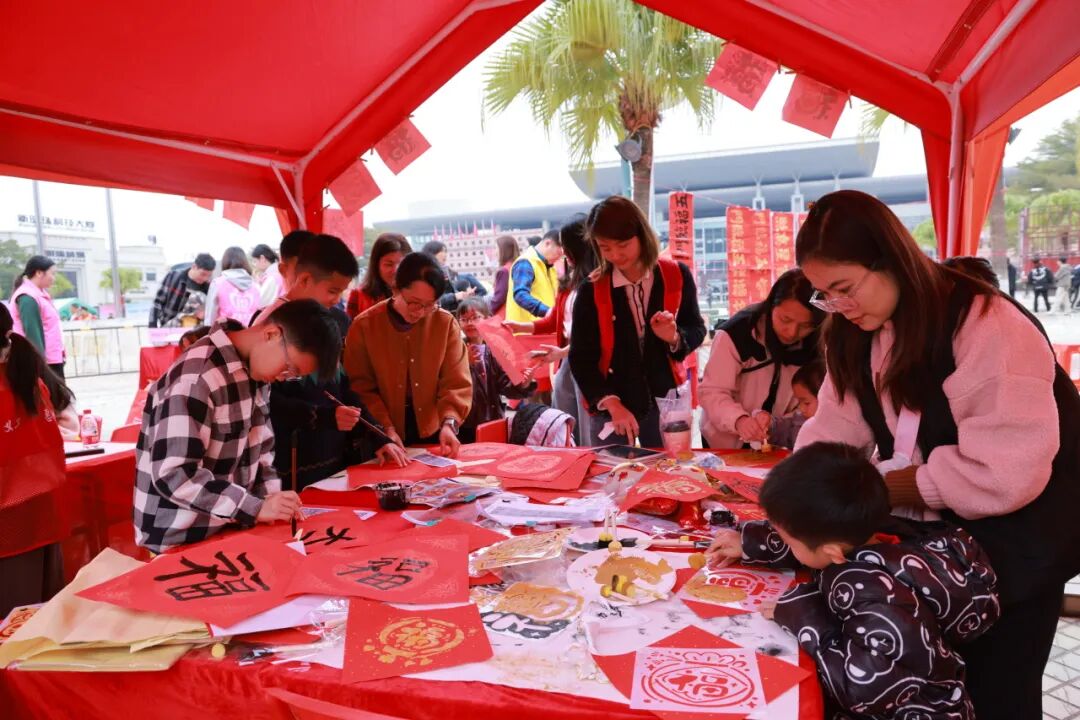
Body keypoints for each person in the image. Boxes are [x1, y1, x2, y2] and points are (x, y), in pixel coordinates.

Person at [793, 189, 1080, 718]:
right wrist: (797, 496)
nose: (840, 306)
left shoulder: (986, 323)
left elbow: (1005, 471)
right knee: (930, 690)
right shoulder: (853, 334)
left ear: (891, 259)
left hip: (1018, 544)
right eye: (824, 295)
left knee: (997, 694)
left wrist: (885, 489)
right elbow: (833, 428)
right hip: (938, 547)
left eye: (845, 288)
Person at [706, 442, 1000, 720]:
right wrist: (750, 542)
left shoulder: (876, 593)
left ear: (833, 552)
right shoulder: (873, 533)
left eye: (789, 541)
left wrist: (804, 616)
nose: (789, 544)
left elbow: (863, 686)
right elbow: (813, 545)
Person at [133, 299, 342, 553]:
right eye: (289, 368)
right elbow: (174, 475)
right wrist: (255, 507)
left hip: (229, 527)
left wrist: (273, 502)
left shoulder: (255, 371)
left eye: (293, 376)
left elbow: (262, 451)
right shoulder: (197, 378)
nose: (283, 377)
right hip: (180, 538)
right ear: (271, 334)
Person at [569, 196, 706, 447]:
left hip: (666, 401)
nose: (615, 255)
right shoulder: (592, 290)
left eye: (622, 245)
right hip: (612, 407)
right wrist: (611, 402)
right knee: (613, 468)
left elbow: (696, 328)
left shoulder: (676, 275)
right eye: (605, 248)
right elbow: (580, 357)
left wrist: (674, 337)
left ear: (642, 235)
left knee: (670, 467)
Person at [344, 252, 471, 457]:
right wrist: (384, 428)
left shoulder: (444, 323)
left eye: (429, 305)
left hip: (434, 429)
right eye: (414, 302)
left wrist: (449, 423)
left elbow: (456, 381)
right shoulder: (364, 326)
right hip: (380, 434)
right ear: (396, 288)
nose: (419, 312)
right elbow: (360, 387)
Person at [699, 269, 824, 448]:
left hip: (778, 443)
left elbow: (811, 399)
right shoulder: (738, 333)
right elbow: (712, 392)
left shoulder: (816, 342)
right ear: (771, 305)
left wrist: (775, 425)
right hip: (724, 443)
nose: (792, 332)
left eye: (805, 326)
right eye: (785, 319)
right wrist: (739, 420)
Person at [503, 215, 598, 443]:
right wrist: (523, 326)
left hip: (586, 361)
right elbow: (554, 318)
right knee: (564, 418)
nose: (563, 253)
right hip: (568, 360)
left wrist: (562, 352)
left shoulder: (596, 283)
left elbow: (594, 335)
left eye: (566, 247)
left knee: (588, 426)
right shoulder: (568, 281)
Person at [0, 302, 68, 616]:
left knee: (14, 623)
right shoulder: (25, 375)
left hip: (10, 526)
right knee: (42, 617)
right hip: (42, 511)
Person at [456, 297, 535, 443]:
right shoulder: (456, 350)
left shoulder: (495, 351)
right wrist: (464, 363)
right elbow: (452, 383)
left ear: (487, 318)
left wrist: (523, 384)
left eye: (475, 317)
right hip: (465, 422)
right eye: (464, 319)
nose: (470, 323)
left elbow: (504, 385)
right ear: (458, 323)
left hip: (493, 419)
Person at [253, 234, 358, 325]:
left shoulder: (333, 318)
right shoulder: (272, 322)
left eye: (341, 292)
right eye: (332, 291)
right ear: (305, 280)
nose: (337, 300)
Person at [10, 255, 66, 378]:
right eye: (52, 273)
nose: (54, 278)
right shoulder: (27, 297)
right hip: (43, 363)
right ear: (39, 273)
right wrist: (40, 365)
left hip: (52, 358)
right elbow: (32, 334)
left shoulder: (40, 294)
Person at [752, 359, 824, 449]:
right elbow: (784, 430)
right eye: (799, 402)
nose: (801, 408)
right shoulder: (798, 421)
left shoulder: (836, 430)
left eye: (806, 403)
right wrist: (769, 424)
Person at [346, 233, 411, 319]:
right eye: (388, 264)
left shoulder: (420, 296)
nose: (395, 270)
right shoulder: (358, 296)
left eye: (402, 264)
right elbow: (350, 326)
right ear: (376, 265)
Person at [505, 229, 563, 324]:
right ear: (548, 243)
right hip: (527, 328)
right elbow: (520, 295)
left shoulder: (549, 267)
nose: (559, 258)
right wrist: (548, 312)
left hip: (543, 326)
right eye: (558, 253)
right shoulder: (526, 262)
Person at [148, 253, 215, 328]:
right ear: (194, 266)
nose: (205, 278)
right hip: (167, 328)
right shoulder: (172, 277)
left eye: (209, 275)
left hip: (192, 331)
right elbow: (157, 303)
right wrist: (152, 325)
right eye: (203, 274)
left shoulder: (208, 288)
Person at [204, 247, 262, 327]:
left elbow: (210, 318)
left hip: (225, 333)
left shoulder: (217, 283)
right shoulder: (256, 286)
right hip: (251, 333)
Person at [421, 240, 473, 312]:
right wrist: (454, 296)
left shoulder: (444, 271)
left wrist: (464, 295)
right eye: (442, 251)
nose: (445, 254)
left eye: (446, 251)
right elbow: (431, 300)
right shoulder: (425, 274)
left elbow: (451, 292)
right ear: (432, 253)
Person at [489, 234, 521, 316]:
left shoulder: (504, 271)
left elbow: (498, 299)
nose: (494, 252)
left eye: (496, 248)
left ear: (503, 250)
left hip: (505, 314)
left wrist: (487, 313)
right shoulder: (518, 266)